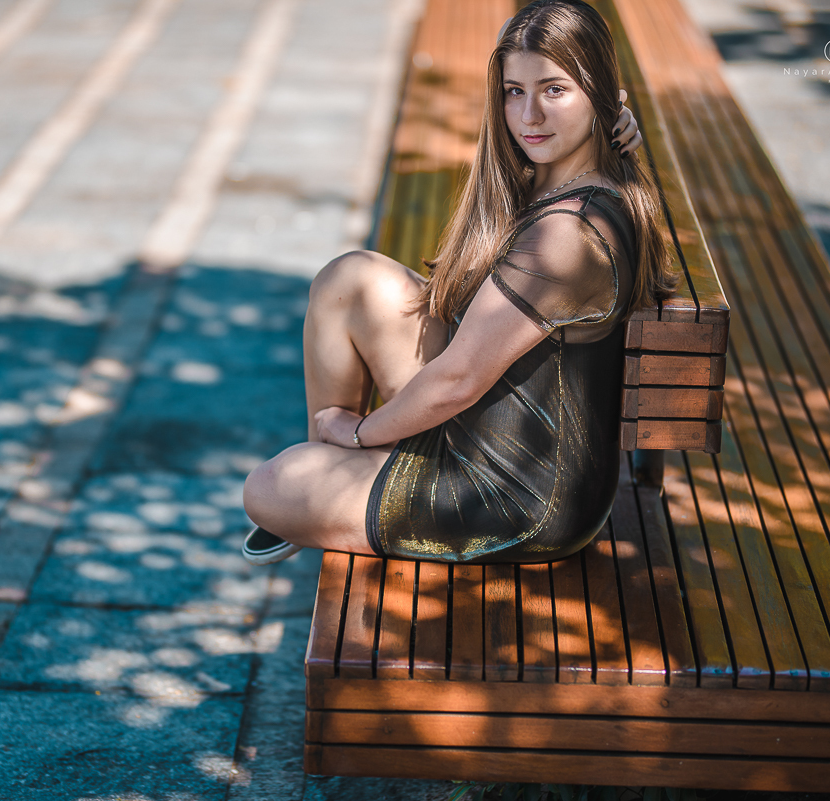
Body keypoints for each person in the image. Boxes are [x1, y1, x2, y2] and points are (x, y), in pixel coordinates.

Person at [242, 0, 676, 566]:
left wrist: (360, 433)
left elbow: (458, 380)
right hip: (491, 433)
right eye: (514, 91)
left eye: (554, 90)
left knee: (267, 489)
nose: (529, 117)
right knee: (349, 280)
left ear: (598, 91)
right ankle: (333, 479)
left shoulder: (567, 236)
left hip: (516, 498)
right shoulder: (580, 174)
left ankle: (332, 475)